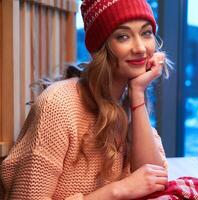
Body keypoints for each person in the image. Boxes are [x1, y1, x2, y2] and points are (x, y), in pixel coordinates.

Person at [0, 0, 172, 199]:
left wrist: (137, 94)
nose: (141, 48)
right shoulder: (58, 105)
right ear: (101, 48)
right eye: (123, 36)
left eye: (146, 33)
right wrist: (117, 191)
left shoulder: (129, 96)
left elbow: (153, 181)